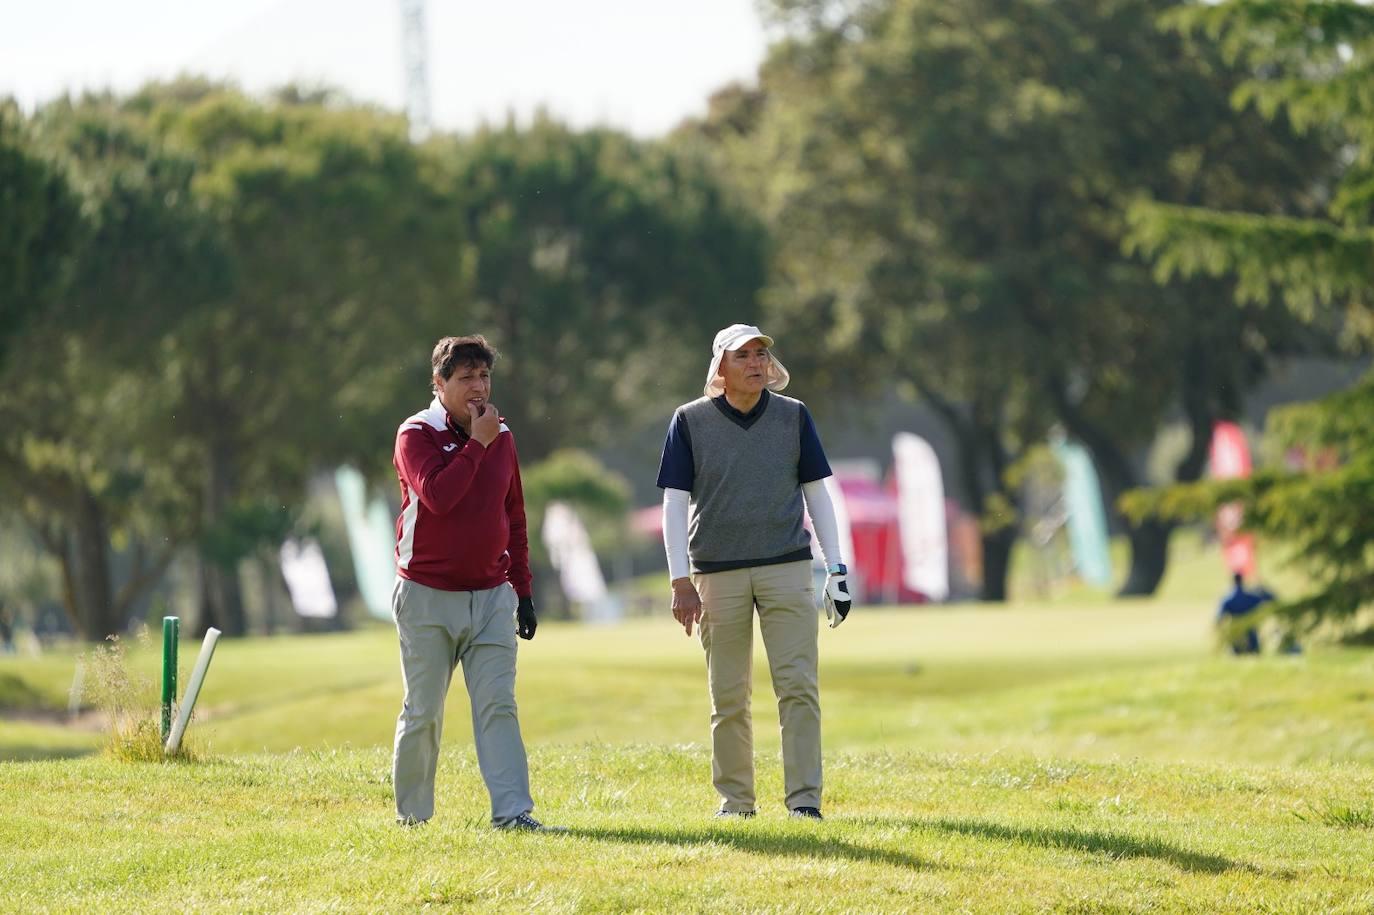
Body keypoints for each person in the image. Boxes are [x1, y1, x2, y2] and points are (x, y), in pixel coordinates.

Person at [657, 323, 853, 820]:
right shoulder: (689, 421)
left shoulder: (794, 416)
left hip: (786, 567)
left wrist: (837, 568)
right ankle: (736, 803)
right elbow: (674, 505)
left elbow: (818, 495)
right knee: (727, 696)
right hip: (715, 574)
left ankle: (805, 803)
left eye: (761, 354)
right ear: (720, 366)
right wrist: (680, 579)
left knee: (799, 689)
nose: (755, 363)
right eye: (743, 355)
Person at [389, 334, 554, 830]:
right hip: (426, 596)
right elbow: (439, 495)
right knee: (423, 712)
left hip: (490, 597)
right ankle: (412, 818)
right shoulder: (415, 434)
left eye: (484, 376)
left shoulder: (501, 435)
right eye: (465, 378)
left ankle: (513, 813)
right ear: (439, 384)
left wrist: (522, 591)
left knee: (498, 707)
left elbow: (515, 516)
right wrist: (479, 443)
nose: (478, 387)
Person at [1216, 571, 1274, 655]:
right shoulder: (1251, 597)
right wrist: (1263, 589)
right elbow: (1270, 599)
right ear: (1243, 581)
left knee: (1238, 656)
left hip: (1235, 631)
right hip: (1251, 630)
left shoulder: (1228, 599)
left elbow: (1220, 617)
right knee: (1254, 655)